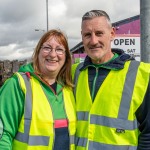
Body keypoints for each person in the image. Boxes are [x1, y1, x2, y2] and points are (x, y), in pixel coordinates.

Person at [72, 10, 150, 150]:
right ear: (82, 37)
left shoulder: (141, 73)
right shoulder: (74, 72)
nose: (94, 41)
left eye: (99, 33)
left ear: (112, 33)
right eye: (87, 35)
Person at [0, 29, 76, 150]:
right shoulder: (19, 84)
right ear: (38, 52)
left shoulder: (68, 90)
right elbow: (3, 136)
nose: (52, 54)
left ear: (66, 57)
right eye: (47, 48)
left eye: (59, 49)